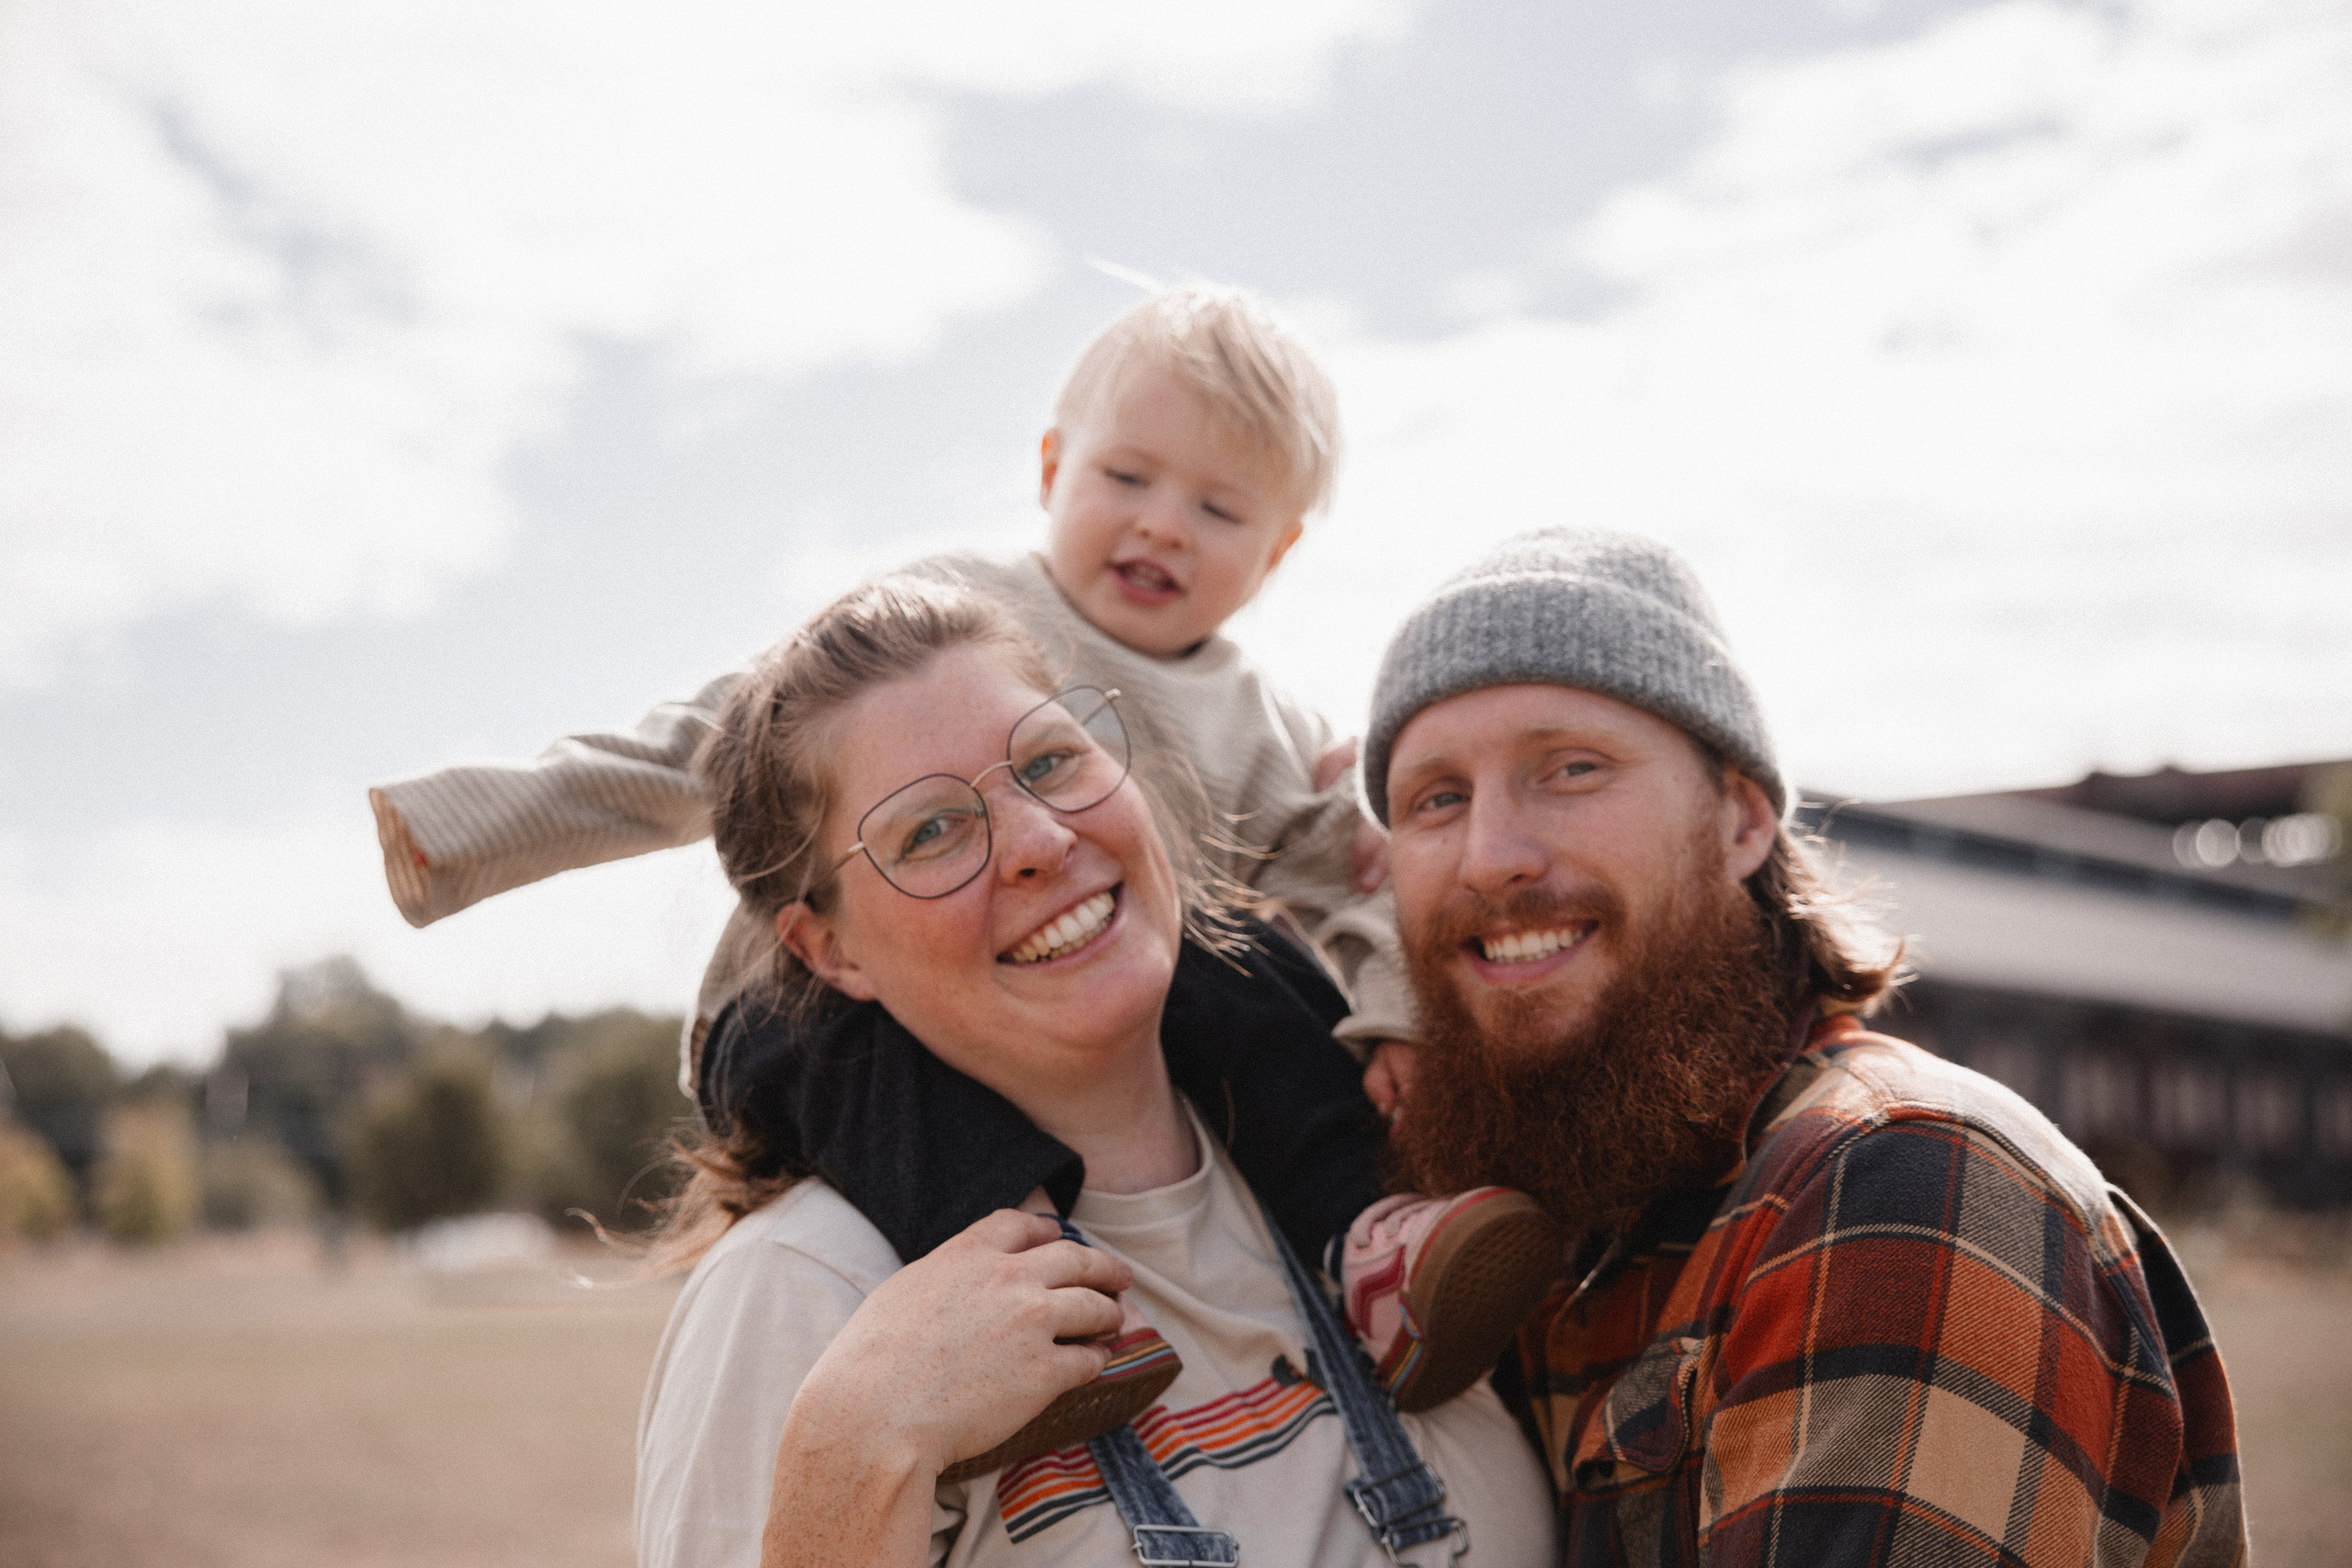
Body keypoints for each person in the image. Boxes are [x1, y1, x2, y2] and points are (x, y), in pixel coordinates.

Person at [369, 285, 1561, 1438]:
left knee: (1254, 979)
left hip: (1067, 1004)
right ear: (1051, 469)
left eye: (1218, 507)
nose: (1161, 524)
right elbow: (707, 744)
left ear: (1279, 551)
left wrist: (1395, 1014)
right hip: (807, 1010)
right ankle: (1026, 1310)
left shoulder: (1264, 727)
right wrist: (475, 828)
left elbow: (1355, 879)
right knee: (891, 1075)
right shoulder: (948, 616)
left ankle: (1371, 1250)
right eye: (1127, 477)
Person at [1356, 527, 2247, 1565]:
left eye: (1571, 769)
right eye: (1436, 799)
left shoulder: (1904, 1179)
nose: (1489, 857)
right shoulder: (1562, 1225)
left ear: (1741, 822)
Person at [633, 577, 1556, 1568]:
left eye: (1048, 761)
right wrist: (856, 1458)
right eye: (931, 830)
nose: (1040, 840)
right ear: (830, 951)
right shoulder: (808, 1294)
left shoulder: (1395, 1176)